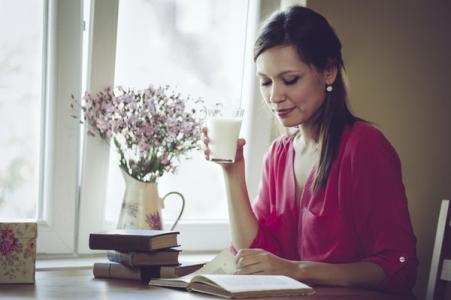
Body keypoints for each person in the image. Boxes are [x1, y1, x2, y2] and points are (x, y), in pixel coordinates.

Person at [202, 5, 417, 295]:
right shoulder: (278, 155)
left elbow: (400, 264)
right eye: (265, 82)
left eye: (290, 80)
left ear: (328, 71)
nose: (274, 96)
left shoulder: (364, 147)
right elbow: (254, 257)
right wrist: (232, 171)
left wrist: (297, 270)